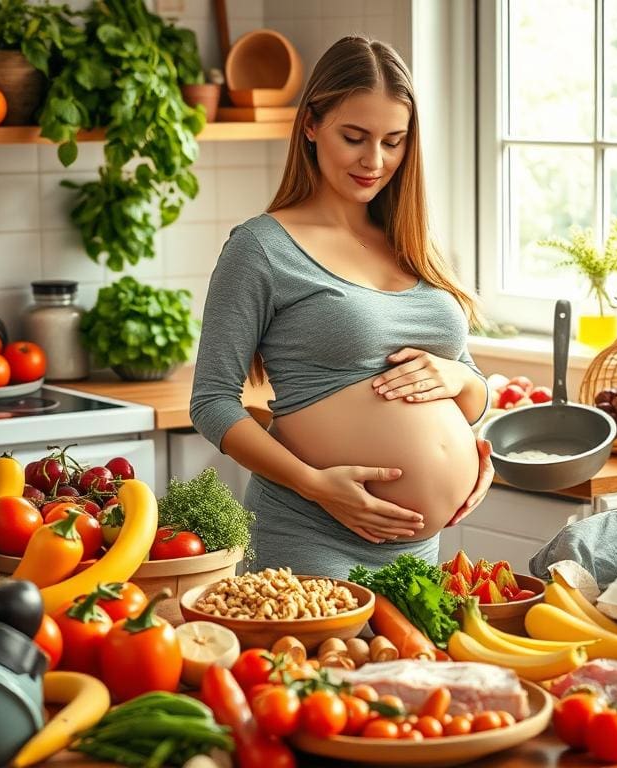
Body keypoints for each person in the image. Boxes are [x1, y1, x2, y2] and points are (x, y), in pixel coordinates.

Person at [190, 36, 494, 579]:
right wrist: (315, 484)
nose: (374, 161)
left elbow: (468, 392)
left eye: (394, 141)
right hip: (310, 535)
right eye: (354, 137)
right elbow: (212, 403)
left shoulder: (413, 242)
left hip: (418, 553)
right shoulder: (260, 248)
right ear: (311, 124)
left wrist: (461, 394)